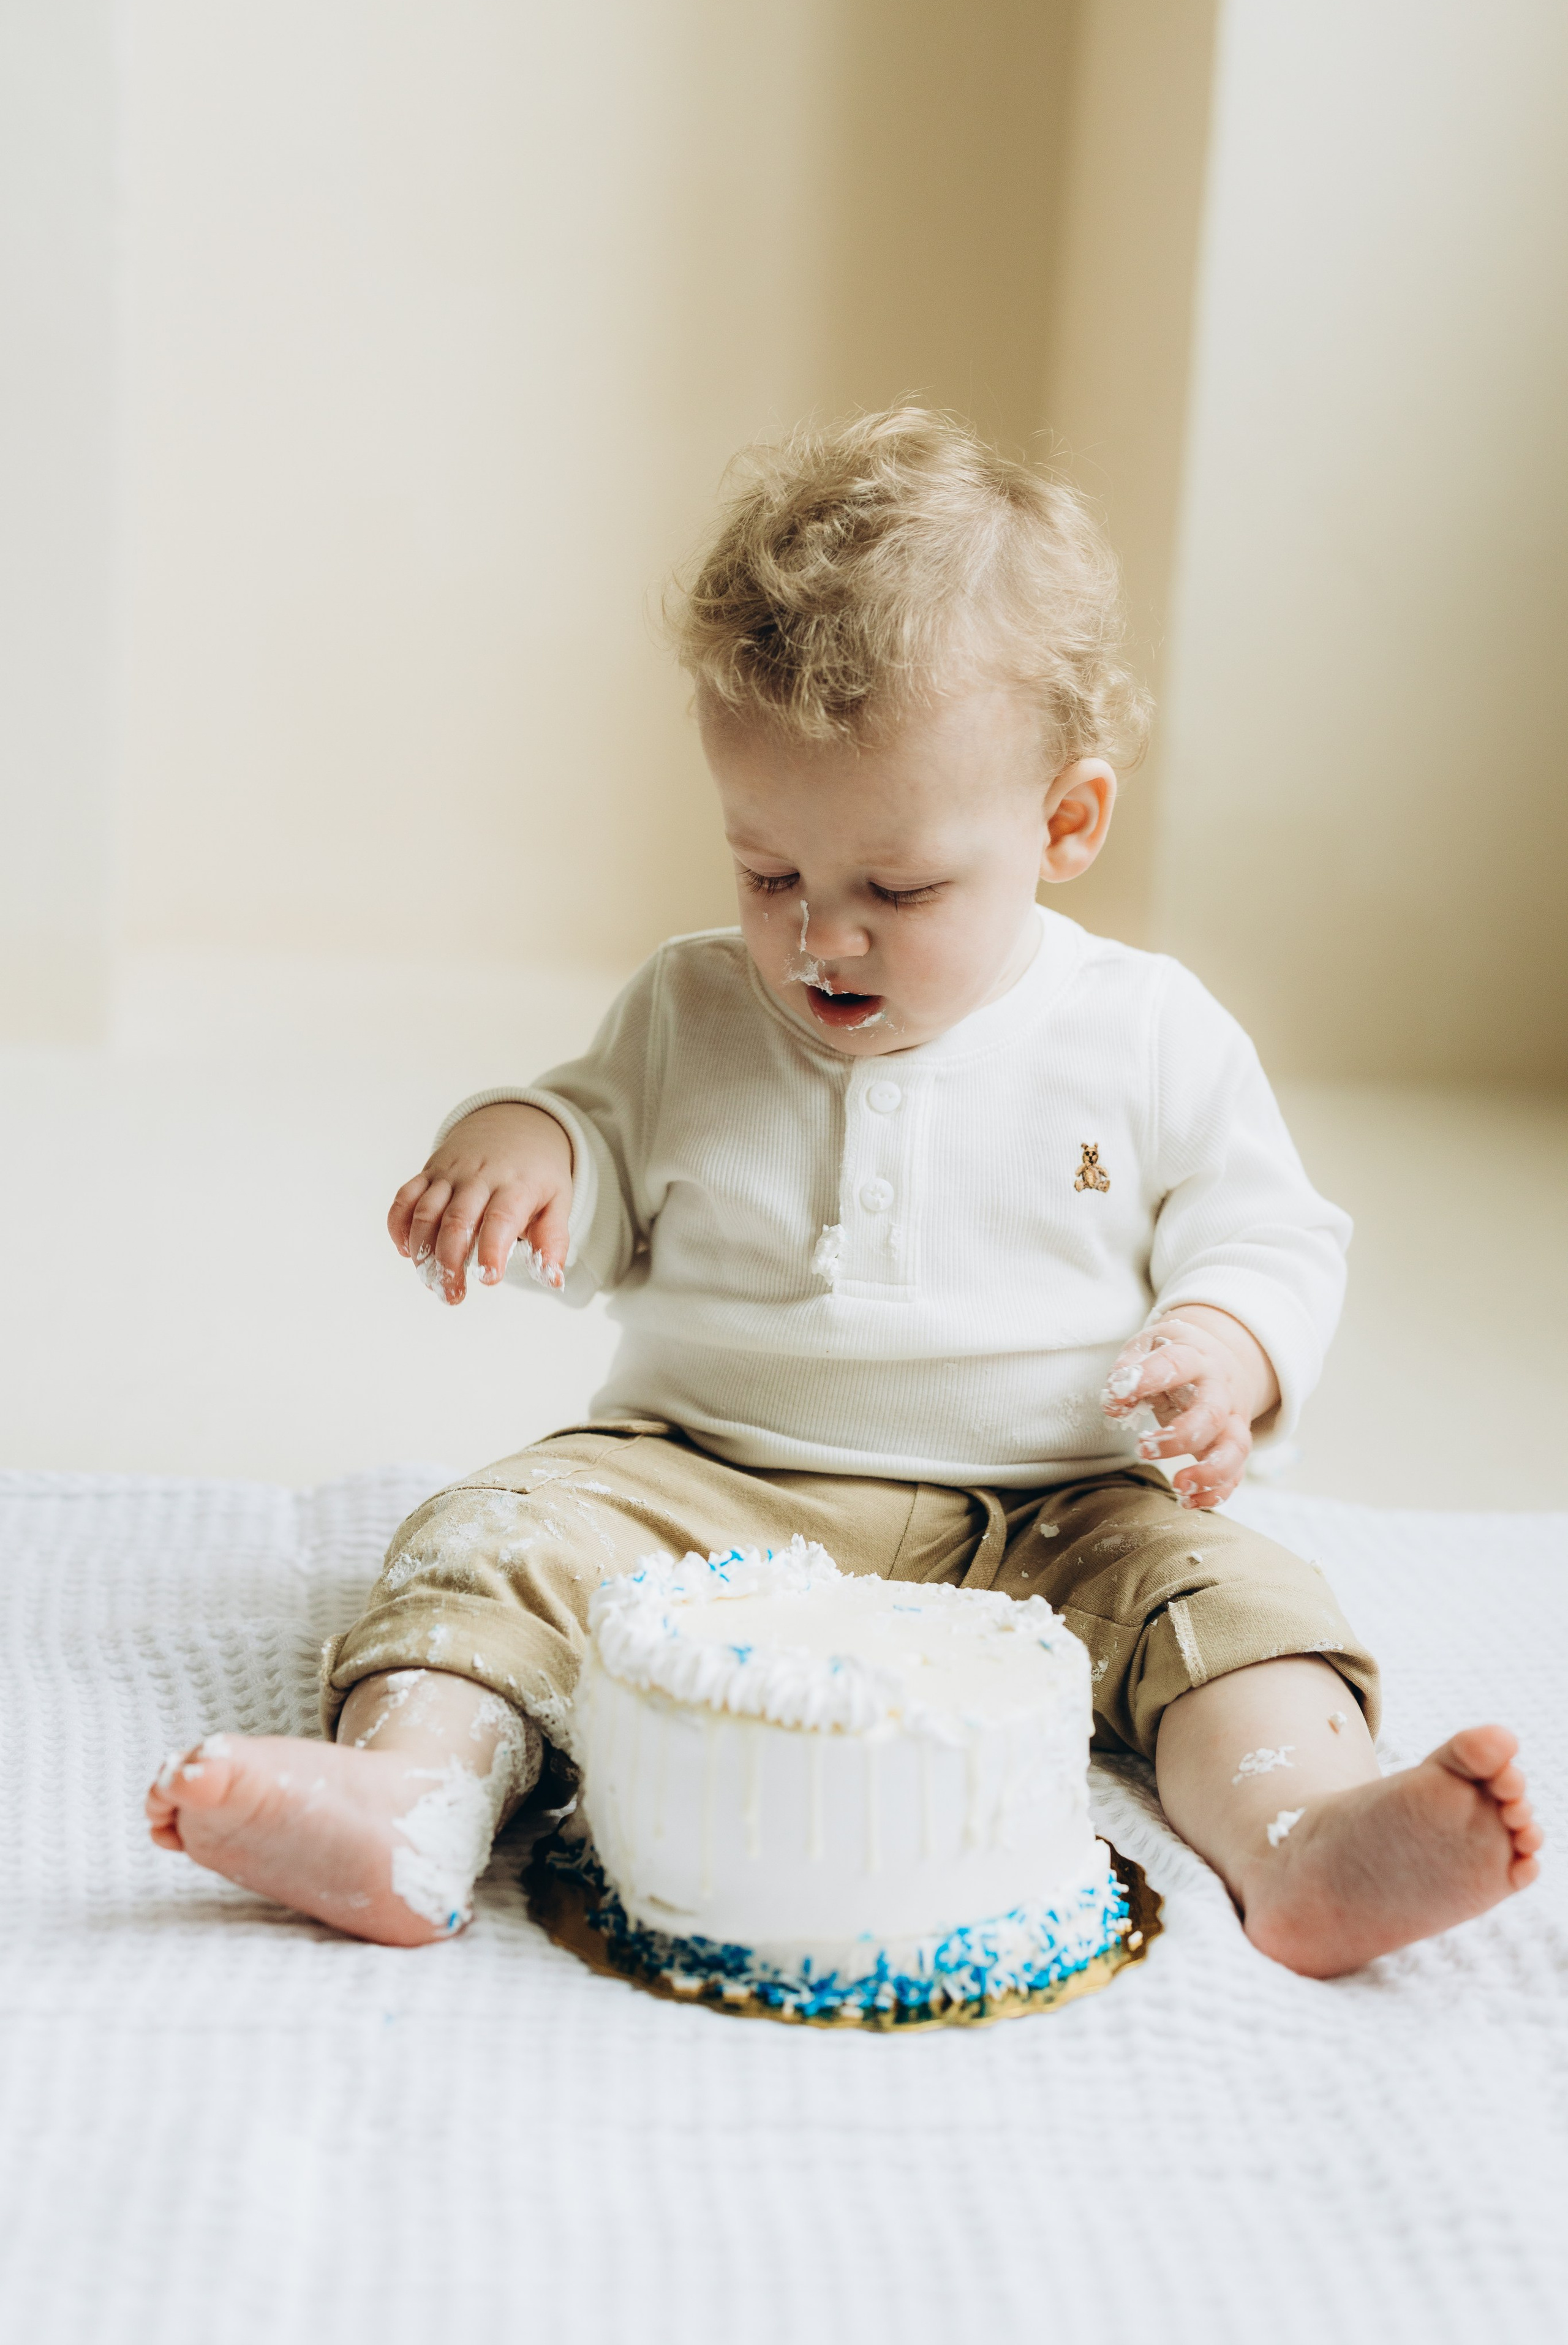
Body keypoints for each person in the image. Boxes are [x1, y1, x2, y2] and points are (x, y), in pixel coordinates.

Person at [146, 407, 1540, 1974]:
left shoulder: (1143, 1031)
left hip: (1057, 1502)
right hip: (699, 1477)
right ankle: (407, 1801)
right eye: (768, 875)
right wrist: (527, 1146)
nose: (822, 941)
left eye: (899, 889)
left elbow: (1269, 1231)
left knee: (1229, 1602)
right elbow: (596, 1164)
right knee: (495, 1536)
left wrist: (1226, 1344)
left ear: (1061, 823)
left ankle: (1303, 1835)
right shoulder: (686, 1008)